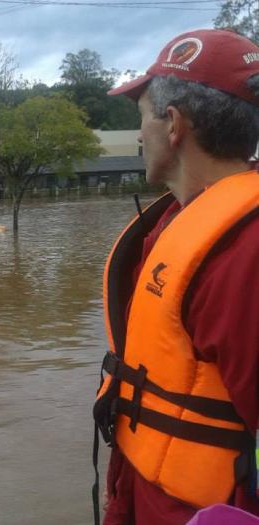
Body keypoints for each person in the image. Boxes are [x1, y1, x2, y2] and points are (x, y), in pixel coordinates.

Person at [93, 29, 259, 525]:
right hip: (146, 497)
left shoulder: (247, 253)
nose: (139, 134)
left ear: (173, 125)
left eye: (141, 117)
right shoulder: (177, 222)